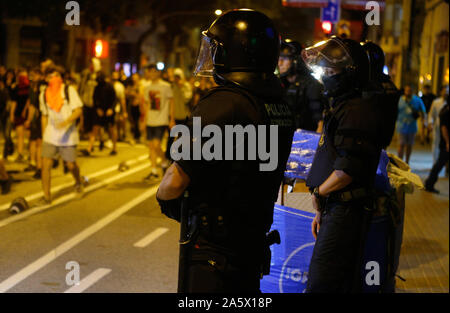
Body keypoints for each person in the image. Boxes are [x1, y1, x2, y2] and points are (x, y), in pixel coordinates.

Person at [156, 9, 295, 293]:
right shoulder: (279, 105)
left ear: (234, 53)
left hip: (214, 251)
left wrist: (165, 198)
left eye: (217, 49)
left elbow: (175, 179)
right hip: (252, 241)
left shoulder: (223, 103)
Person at [302, 36, 384, 293]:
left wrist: (319, 193)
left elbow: (346, 170)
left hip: (346, 210)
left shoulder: (357, 111)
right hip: (335, 207)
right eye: (324, 68)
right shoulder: (343, 106)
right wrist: (321, 207)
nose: (325, 74)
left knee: (322, 282)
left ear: (349, 72)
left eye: (331, 69)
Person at [39, 66, 84, 205]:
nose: (54, 79)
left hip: (68, 134)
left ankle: (78, 181)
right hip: (50, 135)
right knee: (45, 164)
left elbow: (78, 111)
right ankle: (47, 196)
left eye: (57, 75)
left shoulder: (68, 90)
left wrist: (66, 122)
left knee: (71, 165)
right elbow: (44, 116)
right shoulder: (43, 94)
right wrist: (44, 135)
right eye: (51, 76)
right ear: (46, 79)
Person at [278, 40, 325, 132]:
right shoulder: (279, 83)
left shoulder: (311, 85)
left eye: (285, 58)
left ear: (296, 61)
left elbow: (319, 121)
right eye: (279, 58)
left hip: (302, 140)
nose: (280, 63)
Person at [142, 64, 174, 181]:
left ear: (159, 73)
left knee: (156, 145)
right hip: (150, 119)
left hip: (161, 119)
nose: (153, 73)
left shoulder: (166, 86)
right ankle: (154, 171)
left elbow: (171, 102)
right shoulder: (147, 87)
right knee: (151, 147)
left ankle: (164, 161)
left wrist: (172, 119)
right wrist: (144, 120)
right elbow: (146, 104)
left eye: (155, 71)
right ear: (148, 73)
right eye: (151, 71)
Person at [165, 68, 192, 161]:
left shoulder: (186, 86)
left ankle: (181, 157)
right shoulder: (171, 86)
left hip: (184, 116)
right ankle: (168, 157)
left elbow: (187, 99)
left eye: (178, 77)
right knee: (171, 137)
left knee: (182, 137)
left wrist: (182, 88)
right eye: (175, 77)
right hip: (174, 116)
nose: (177, 79)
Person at [396, 85, 426, 164]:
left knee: (409, 145)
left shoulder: (417, 100)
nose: (408, 92)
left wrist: (424, 121)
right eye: (406, 90)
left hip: (412, 126)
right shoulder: (400, 100)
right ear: (404, 91)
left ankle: (407, 162)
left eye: (410, 91)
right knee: (401, 144)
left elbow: (423, 111)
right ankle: (400, 162)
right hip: (401, 126)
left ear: (412, 91)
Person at [24, 68, 45, 179]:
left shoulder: (43, 87)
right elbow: (32, 105)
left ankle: (40, 167)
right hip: (36, 119)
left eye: (35, 75)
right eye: (31, 75)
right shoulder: (32, 88)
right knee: (35, 141)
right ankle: (37, 165)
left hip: (44, 117)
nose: (32, 77)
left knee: (40, 143)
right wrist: (29, 119)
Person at [424, 101, 449, 193]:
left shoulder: (444, 109)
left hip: (445, 143)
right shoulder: (445, 113)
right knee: (439, 164)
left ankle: (429, 183)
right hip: (446, 144)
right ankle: (429, 184)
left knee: (439, 164)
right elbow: (444, 128)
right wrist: (447, 142)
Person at [92, 72, 118, 155]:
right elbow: (94, 99)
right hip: (100, 110)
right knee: (96, 128)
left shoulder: (109, 86)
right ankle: (90, 147)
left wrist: (111, 109)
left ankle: (114, 147)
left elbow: (115, 99)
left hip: (109, 111)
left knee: (111, 129)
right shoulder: (97, 87)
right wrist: (98, 109)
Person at [9, 70, 30, 162]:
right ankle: (27, 154)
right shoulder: (30, 88)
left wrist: (11, 114)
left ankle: (21, 153)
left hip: (19, 113)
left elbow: (14, 103)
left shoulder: (17, 88)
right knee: (27, 136)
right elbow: (29, 102)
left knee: (20, 136)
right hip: (27, 113)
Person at [428, 85, 448, 163]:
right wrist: (430, 123)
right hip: (437, 127)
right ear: (441, 92)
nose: (446, 93)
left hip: (447, 127)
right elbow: (431, 114)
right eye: (444, 91)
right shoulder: (436, 102)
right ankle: (435, 162)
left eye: (447, 91)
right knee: (436, 144)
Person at [126, 73, 144, 143]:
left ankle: (138, 136)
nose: (134, 79)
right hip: (131, 106)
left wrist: (134, 94)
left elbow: (141, 95)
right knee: (132, 121)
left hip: (138, 106)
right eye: (133, 77)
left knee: (138, 121)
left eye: (135, 77)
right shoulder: (131, 86)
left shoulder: (140, 86)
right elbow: (126, 93)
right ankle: (135, 136)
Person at [111, 71, 128, 142]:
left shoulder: (120, 86)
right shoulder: (109, 84)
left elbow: (122, 99)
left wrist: (124, 111)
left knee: (117, 122)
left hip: (117, 107)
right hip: (109, 106)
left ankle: (119, 136)